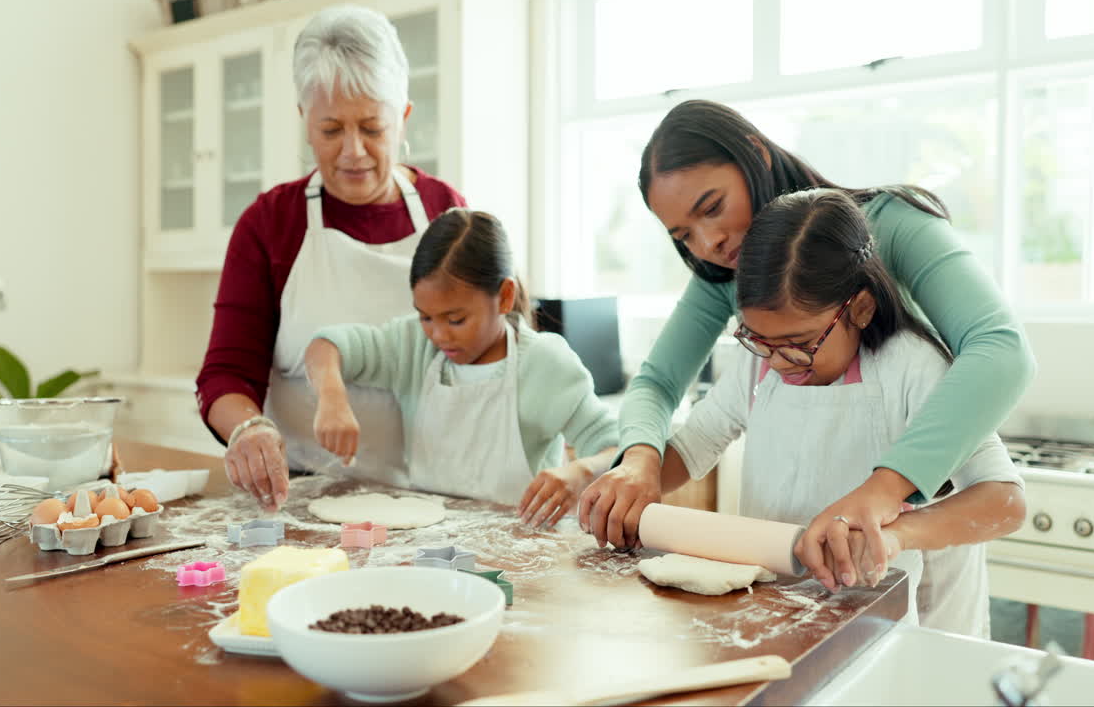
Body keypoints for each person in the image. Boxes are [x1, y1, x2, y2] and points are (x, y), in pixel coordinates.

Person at [579, 100, 1037, 591]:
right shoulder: (735, 300)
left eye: (712, 207)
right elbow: (661, 384)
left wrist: (884, 494)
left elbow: (1001, 351)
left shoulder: (906, 328)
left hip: (908, 577)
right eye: (682, 235)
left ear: (755, 155)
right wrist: (640, 463)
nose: (709, 243)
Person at [657, 189, 1025, 634]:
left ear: (862, 308)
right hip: (784, 620)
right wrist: (630, 476)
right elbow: (693, 445)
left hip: (905, 632)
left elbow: (1005, 502)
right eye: (759, 339)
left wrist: (894, 537)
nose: (777, 362)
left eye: (801, 344)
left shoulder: (912, 367)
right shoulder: (759, 363)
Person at [196, 5, 466, 511]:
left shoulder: (444, 211)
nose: (353, 151)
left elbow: (488, 349)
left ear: (403, 117)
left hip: (432, 494)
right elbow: (224, 375)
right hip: (300, 494)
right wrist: (250, 429)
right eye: (331, 130)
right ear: (304, 121)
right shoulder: (270, 223)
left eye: (371, 127)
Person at [306, 208, 618, 526]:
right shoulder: (412, 345)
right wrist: (332, 398)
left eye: (456, 319)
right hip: (427, 545)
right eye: (426, 317)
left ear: (505, 297)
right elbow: (326, 345)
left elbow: (618, 447)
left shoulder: (544, 364)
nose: (439, 335)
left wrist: (582, 471)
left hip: (520, 554)